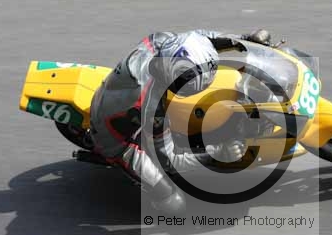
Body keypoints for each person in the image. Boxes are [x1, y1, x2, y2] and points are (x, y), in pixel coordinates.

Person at [89, 29, 272, 214]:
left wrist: (244, 40)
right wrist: (218, 152)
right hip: (116, 140)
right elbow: (170, 159)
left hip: (117, 94)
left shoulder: (163, 42)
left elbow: (202, 38)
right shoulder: (152, 107)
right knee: (173, 204)